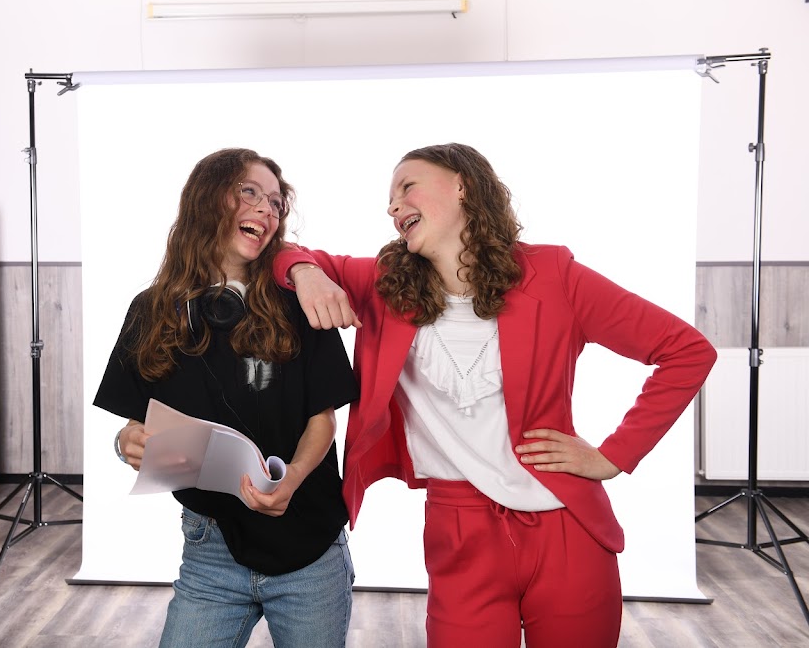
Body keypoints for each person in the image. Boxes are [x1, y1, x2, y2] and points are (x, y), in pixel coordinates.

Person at [272, 143, 717, 648]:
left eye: (407, 187)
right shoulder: (382, 284)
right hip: (458, 529)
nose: (393, 205)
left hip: (565, 527)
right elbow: (280, 255)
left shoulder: (553, 276)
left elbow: (687, 351)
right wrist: (306, 273)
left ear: (461, 186)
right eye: (390, 198)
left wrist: (615, 455)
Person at [94, 148, 358, 648]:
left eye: (275, 202)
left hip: (310, 548)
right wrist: (127, 442)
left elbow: (322, 418)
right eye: (249, 192)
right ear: (208, 199)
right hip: (209, 549)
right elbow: (135, 425)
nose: (266, 209)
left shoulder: (300, 303)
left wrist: (292, 478)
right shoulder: (150, 311)